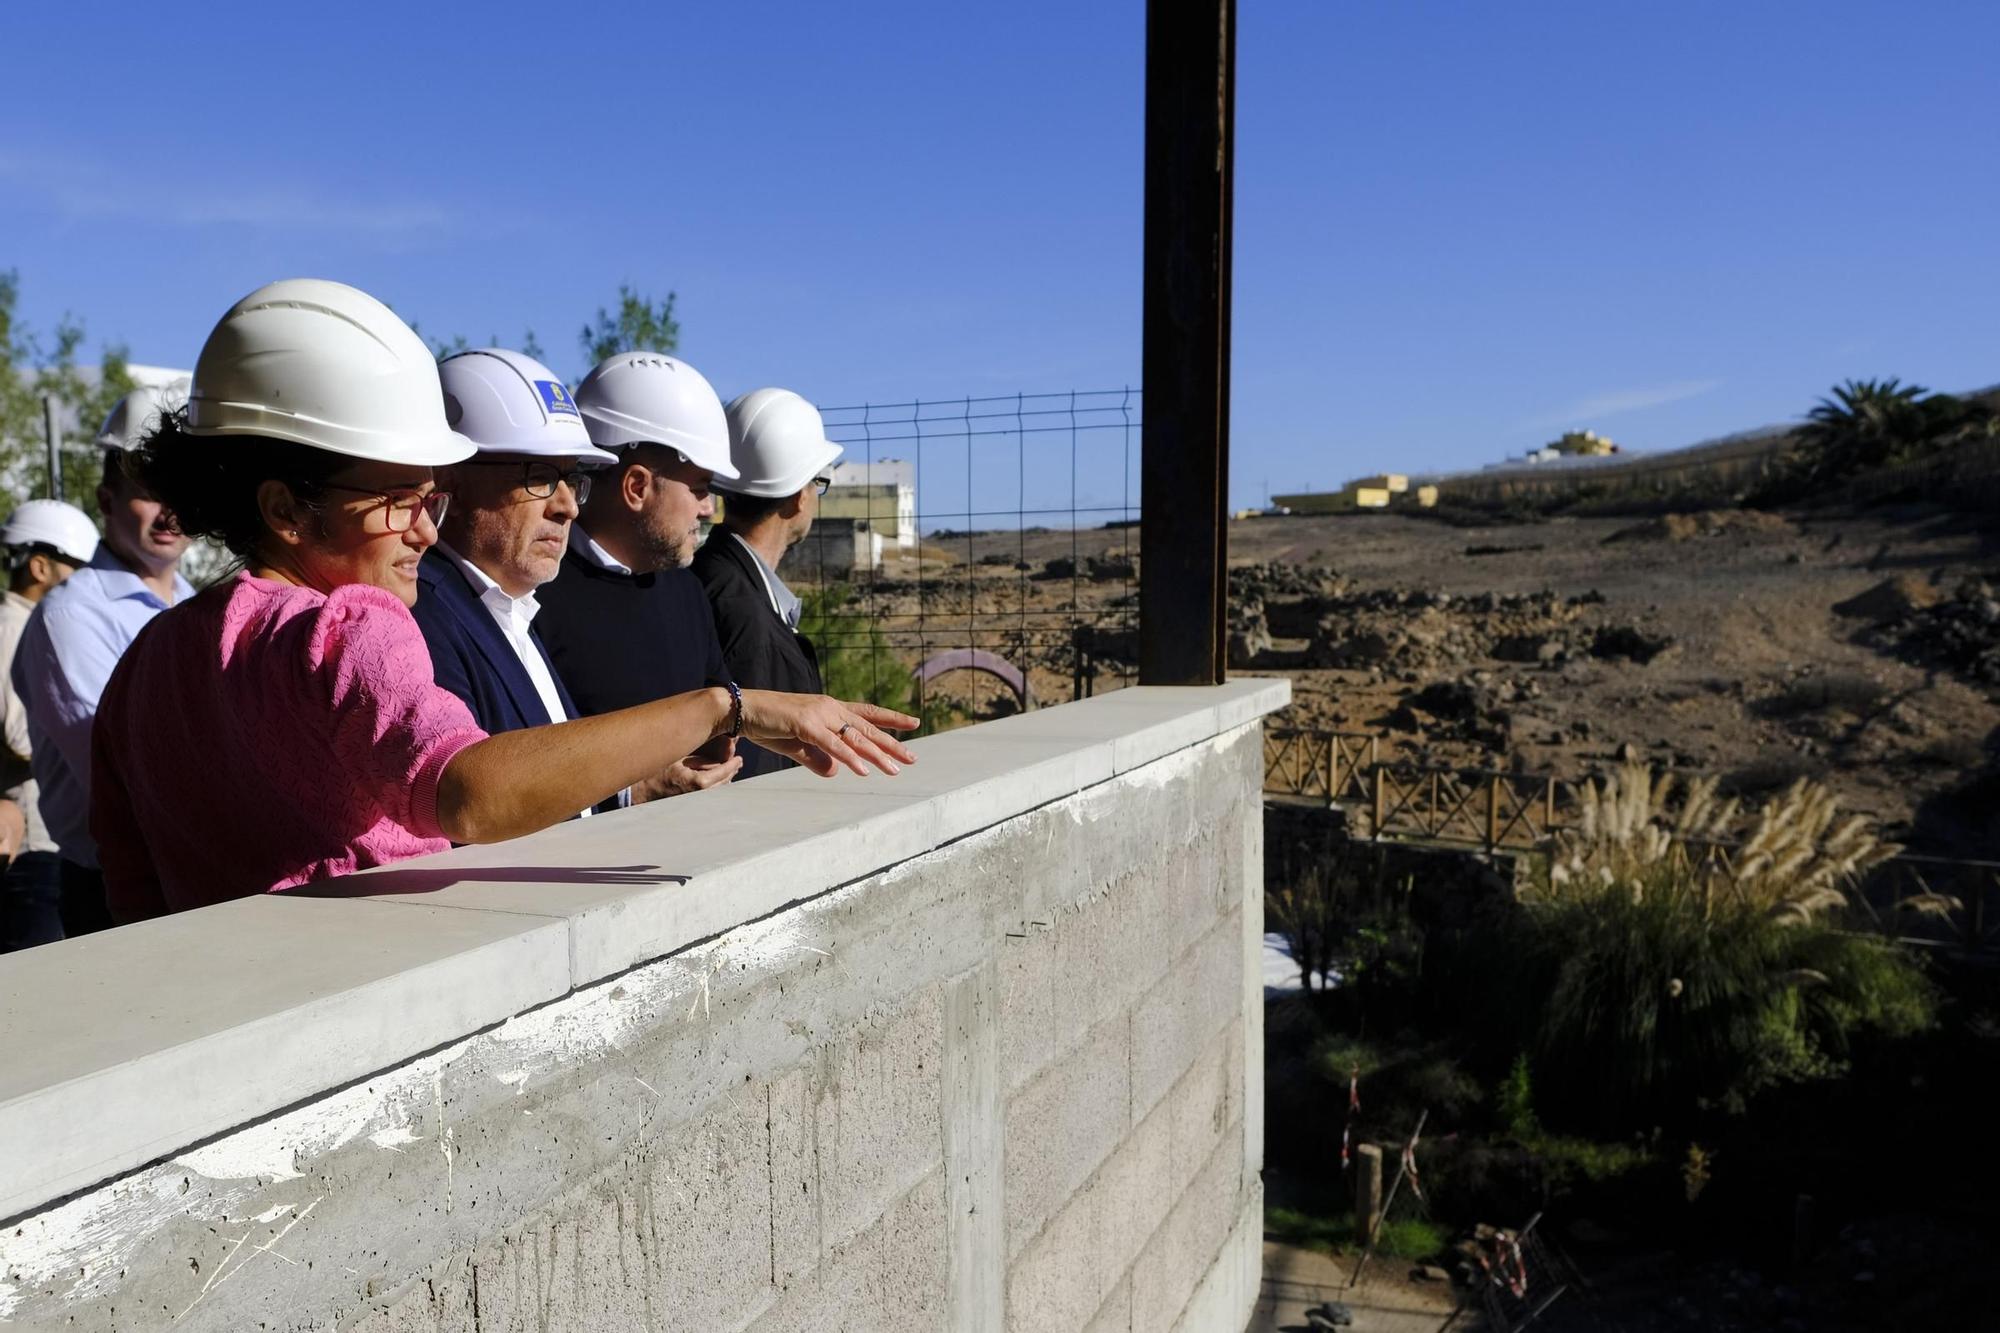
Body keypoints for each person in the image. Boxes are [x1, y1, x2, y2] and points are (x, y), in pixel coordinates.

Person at [91, 278, 915, 922]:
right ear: (283, 508)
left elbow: (131, 885)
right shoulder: (345, 629)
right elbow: (467, 792)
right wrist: (721, 707)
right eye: (399, 500)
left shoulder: (153, 657)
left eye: (431, 498)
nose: (423, 528)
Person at [10, 389, 193, 936]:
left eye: (181, 491)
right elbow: (124, 778)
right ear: (106, 501)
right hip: (115, 896)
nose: (170, 511)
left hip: (190, 877)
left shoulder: (193, 603)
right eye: (147, 492)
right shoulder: (70, 618)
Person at [532, 353, 746, 795]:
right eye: (702, 489)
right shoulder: (531, 597)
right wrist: (632, 791)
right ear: (636, 488)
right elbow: (518, 771)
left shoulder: (686, 590)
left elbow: (717, 712)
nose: (709, 509)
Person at [694, 388, 842, 779]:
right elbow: (762, 771)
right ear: (797, 498)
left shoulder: (708, 576)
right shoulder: (748, 620)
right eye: (818, 484)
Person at [0, 499, 99, 949]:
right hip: (30, 847)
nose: (88, 577)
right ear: (40, 566)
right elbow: (21, 737)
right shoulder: (12, 627)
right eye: (77, 565)